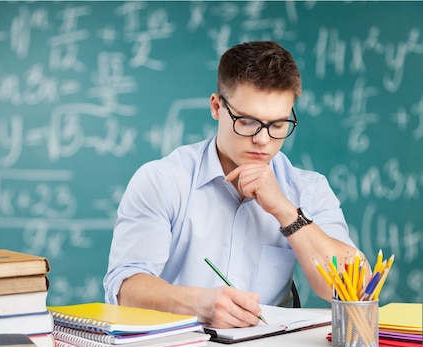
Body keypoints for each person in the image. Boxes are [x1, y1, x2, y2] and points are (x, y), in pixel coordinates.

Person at [103, 40, 362, 329]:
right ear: (216, 107)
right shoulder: (161, 180)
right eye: (248, 121)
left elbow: (348, 287)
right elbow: (124, 288)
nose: (263, 140)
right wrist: (197, 305)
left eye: (278, 125)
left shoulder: (308, 189)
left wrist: (286, 212)